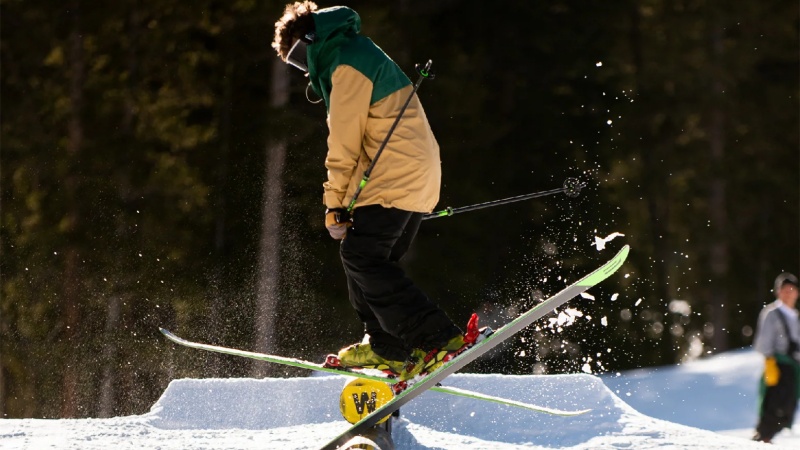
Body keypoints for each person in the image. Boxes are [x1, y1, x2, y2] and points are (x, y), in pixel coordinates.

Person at [271, 2, 468, 380]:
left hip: (397, 174)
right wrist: (346, 205)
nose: (305, 71)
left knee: (362, 257)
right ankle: (386, 346)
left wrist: (333, 205)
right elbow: (367, 143)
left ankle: (437, 338)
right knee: (362, 256)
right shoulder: (359, 51)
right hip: (412, 174)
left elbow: (343, 145)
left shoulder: (346, 66)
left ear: (310, 43)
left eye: (299, 61)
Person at [752, 272, 800, 443]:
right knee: (774, 404)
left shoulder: (795, 316)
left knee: (788, 406)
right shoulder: (772, 313)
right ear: (778, 292)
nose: (788, 293)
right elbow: (763, 342)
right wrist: (769, 361)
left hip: (794, 367)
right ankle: (763, 438)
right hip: (778, 365)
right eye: (784, 289)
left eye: (791, 289)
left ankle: (769, 437)